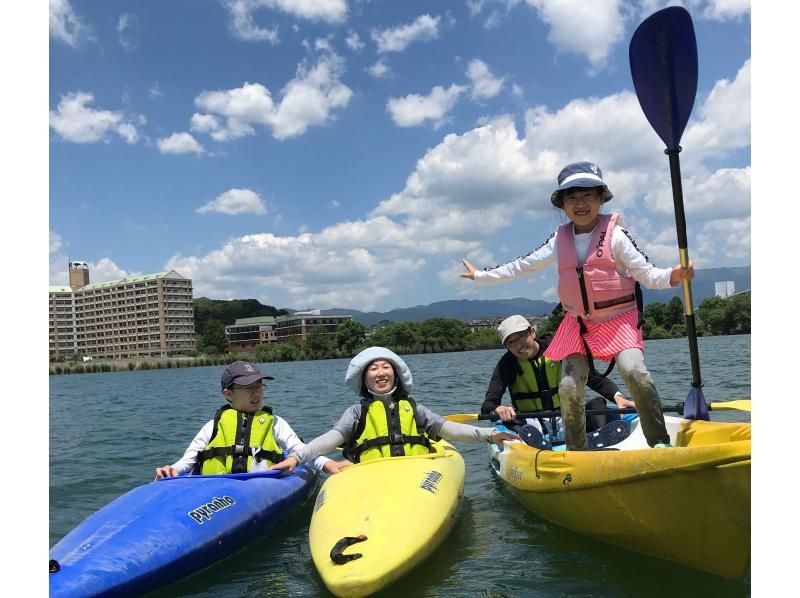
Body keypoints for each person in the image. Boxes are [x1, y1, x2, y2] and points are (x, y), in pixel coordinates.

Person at [461, 161, 694, 451]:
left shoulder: (616, 236)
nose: (580, 203)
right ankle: (576, 450)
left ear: (601, 199)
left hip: (619, 319)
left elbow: (646, 273)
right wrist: (481, 276)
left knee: (635, 371)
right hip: (579, 324)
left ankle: (658, 442)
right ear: (562, 204)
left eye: (588, 196)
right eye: (572, 197)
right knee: (569, 387)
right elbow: (522, 266)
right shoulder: (559, 240)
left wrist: (673, 276)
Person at [271, 347, 519, 472]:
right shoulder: (356, 414)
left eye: (386, 367)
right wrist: (296, 457)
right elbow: (329, 440)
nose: (381, 373)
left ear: (396, 374)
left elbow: (450, 429)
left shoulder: (414, 408)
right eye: (373, 368)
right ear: (364, 378)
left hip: (414, 474)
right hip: (373, 476)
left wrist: (489, 434)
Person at [154, 361, 346, 479]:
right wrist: (173, 469)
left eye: (259, 386)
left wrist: (328, 465)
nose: (256, 393)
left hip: (262, 486)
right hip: (217, 486)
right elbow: (189, 460)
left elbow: (300, 450)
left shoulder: (276, 423)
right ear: (228, 394)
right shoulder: (213, 425)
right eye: (247, 388)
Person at [484, 314, 634, 440]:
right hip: (532, 423)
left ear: (532, 333)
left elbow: (593, 378)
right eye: (511, 342)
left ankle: (598, 440)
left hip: (568, 417)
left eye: (521, 337)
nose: (518, 346)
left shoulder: (560, 350)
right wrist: (498, 408)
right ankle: (534, 446)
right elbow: (488, 404)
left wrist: (618, 396)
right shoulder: (506, 364)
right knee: (510, 421)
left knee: (598, 405)